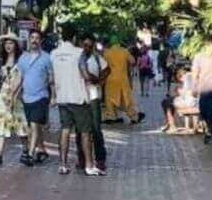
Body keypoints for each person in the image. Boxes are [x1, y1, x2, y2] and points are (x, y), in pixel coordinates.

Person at [51, 25, 100, 177]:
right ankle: (89, 165)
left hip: (62, 98)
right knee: (85, 133)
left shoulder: (54, 54)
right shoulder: (80, 53)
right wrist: (94, 79)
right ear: (74, 38)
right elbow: (87, 75)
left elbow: (52, 77)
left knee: (65, 130)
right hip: (79, 98)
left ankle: (63, 165)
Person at [0, 34, 28, 165]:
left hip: (16, 97)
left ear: (16, 45)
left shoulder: (21, 60)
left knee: (20, 124)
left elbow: (21, 80)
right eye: (6, 43)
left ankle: (26, 151)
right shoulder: (2, 60)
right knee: (0, 124)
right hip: (3, 96)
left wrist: (13, 95)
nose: (8, 45)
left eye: (11, 43)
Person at [16, 29, 55, 165]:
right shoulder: (23, 57)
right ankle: (42, 150)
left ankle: (30, 154)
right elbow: (19, 78)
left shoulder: (47, 57)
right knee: (32, 127)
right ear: (29, 40)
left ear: (41, 41)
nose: (34, 40)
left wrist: (53, 96)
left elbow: (51, 78)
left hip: (41, 96)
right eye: (32, 37)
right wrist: (14, 93)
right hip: (26, 97)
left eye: (37, 38)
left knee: (34, 125)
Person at [77, 34, 109, 175]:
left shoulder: (97, 58)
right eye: (85, 45)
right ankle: (82, 159)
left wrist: (99, 81)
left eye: (90, 46)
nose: (87, 48)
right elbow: (85, 76)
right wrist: (92, 77)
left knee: (96, 129)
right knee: (80, 131)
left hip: (94, 96)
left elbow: (108, 70)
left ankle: (100, 159)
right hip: (79, 97)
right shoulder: (78, 58)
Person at [102, 37, 144, 124]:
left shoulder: (107, 53)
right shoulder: (125, 51)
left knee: (110, 98)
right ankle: (134, 117)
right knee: (126, 98)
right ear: (119, 43)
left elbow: (103, 66)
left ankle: (111, 116)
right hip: (123, 79)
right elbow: (132, 61)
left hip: (111, 78)